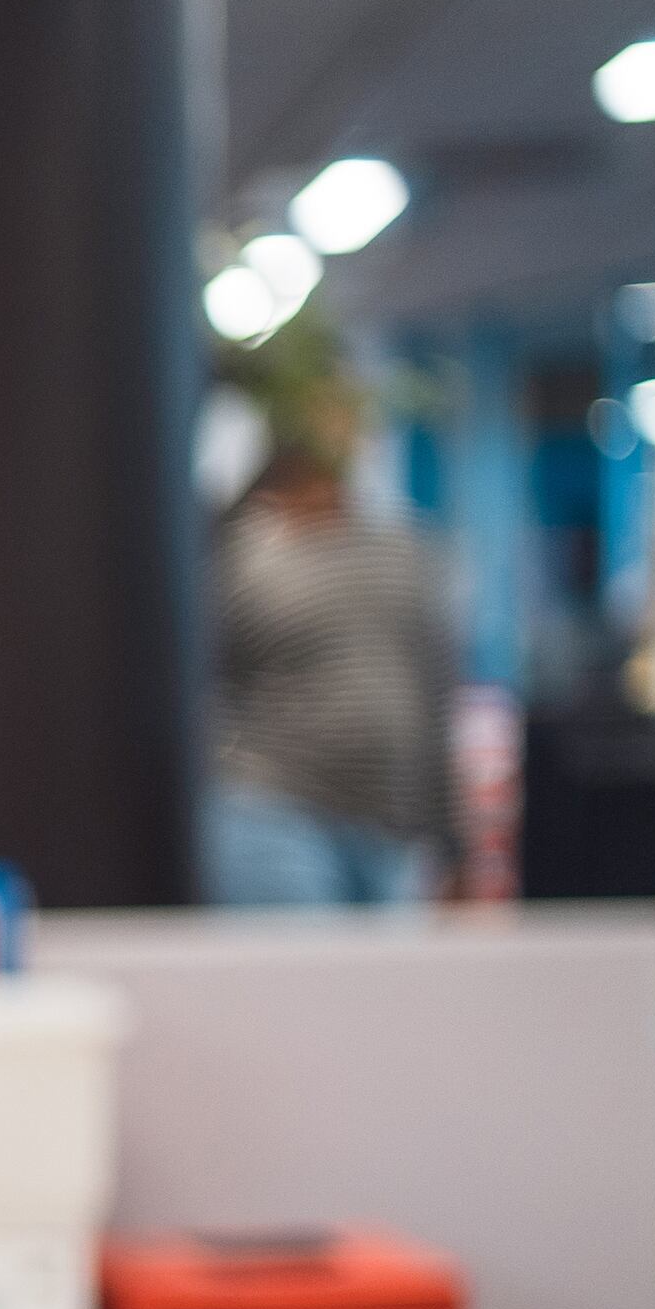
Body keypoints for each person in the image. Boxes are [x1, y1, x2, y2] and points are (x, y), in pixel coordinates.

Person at [203, 369, 456, 907]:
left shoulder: (405, 551)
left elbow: (436, 695)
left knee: (387, 990)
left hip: (391, 829)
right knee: (294, 986)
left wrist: (451, 836)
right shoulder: (244, 557)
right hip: (276, 813)